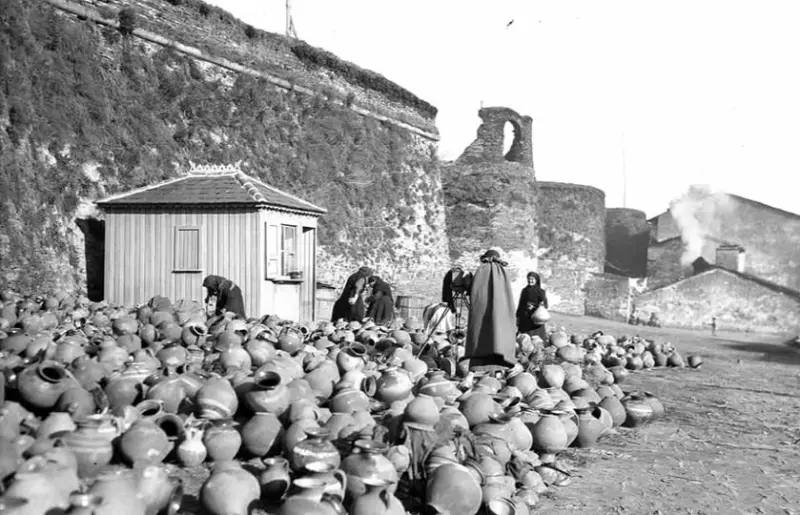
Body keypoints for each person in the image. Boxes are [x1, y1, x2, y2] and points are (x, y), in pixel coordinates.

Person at [462, 249, 518, 372]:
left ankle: (479, 363)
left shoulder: (482, 269)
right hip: (500, 311)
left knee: (481, 331)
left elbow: (473, 290)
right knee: (499, 332)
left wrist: (466, 279)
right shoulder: (502, 272)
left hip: (481, 310)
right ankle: (501, 362)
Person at [515, 271, 549, 342]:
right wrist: (517, 316)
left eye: (532, 279)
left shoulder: (541, 291)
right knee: (524, 339)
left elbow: (545, 305)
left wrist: (534, 307)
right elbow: (520, 304)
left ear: (536, 280)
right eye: (529, 279)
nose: (530, 281)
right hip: (525, 318)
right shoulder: (524, 290)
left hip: (536, 319)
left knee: (536, 339)